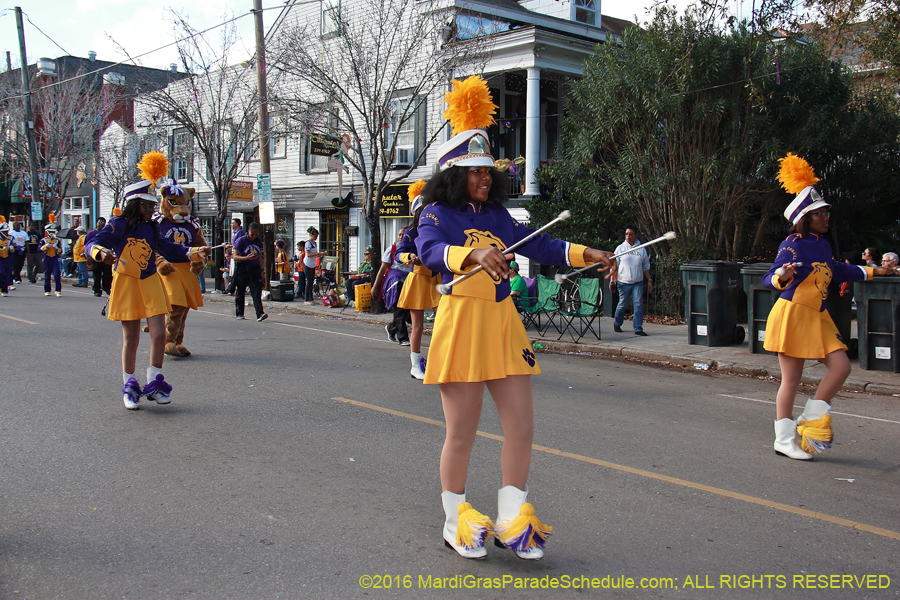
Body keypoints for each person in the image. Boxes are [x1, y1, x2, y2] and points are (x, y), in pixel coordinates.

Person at [416, 75, 616, 561]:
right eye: (474, 172)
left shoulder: (499, 217)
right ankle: (456, 522)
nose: (485, 179)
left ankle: (511, 521)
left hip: (504, 325)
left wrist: (588, 253)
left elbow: (540, 245)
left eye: (488, 171)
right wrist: (472, 255)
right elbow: (429, 251)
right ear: (453, 175)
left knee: (522, 426)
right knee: (462, 432)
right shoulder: (436, 213)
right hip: (462, 325)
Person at [763, 153, 893, 460]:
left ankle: (810, 419)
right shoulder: (792, 244)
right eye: (820, 213)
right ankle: (784, 440)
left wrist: (875, 271)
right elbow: (770, 278)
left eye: (826, 212)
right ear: (805, 216)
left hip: (818, 316)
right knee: (791, 380)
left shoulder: (822, 244)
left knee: (842, 367)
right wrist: (783, 275)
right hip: (793, 313)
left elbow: (836, 269)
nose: (826, 217)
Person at [86, 156, 210, 410]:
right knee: (131, 338)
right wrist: (99, 252)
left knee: (159, 334)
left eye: (154, 205)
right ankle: (130, 388)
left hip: (151, 281)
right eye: (148, 205)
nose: (153, 209)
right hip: (127, 283)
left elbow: (168, 248)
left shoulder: (152, 228)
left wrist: (193, 251)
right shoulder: (118, 225)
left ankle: (154, 384)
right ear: (135, 204)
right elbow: (93, 243)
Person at [397, 180, 442, 379]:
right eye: (425, 211)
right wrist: (409, 256)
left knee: (444, 323)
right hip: (418, 279)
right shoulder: (410, 233)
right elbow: (399, 254)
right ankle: (415, 366)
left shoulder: (439, 230)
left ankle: (439, 360)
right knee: (418, 326)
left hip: (438, 279)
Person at [611, 224, 652, 336]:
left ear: (635, 235)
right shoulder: (620, 248)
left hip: (637, 282)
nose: (628, 236)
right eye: (626, 234)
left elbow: (646, 267)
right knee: (622, 304)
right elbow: (614, 265)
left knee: (638, 304)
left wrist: (649, 280)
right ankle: (617, 323)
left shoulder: (641, 249)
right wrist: (612, 280)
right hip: (623, 282)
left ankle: (638, 328)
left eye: (631, 234)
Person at [372, 228, 412, 345]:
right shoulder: (392, 249)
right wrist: (375, 286)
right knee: (399, 308)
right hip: (395, 282)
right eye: (399, 235)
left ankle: (391, 328)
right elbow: (382, 268)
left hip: (409, 281)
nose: (401, 237)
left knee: (406, 310)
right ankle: (403, 338)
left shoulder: (413, 250)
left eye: (403, 235)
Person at [232, 222, 267, 321]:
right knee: (241, 290)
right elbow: (235, 256)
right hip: (243, 267)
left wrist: (262, 269)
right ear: (248, 231)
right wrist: (246, 258)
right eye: (252, 234)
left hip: (254, 268)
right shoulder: (241, 240)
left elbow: (259, 257)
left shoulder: (258, 241)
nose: (254, 236)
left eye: (256, 234)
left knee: (256, 291)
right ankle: (240, 313)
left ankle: (260, 313)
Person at [85, 217, 112, 296]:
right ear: (96, 223)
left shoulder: (107, 233)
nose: (101, 224)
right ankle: (97, 290)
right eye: (99, 222)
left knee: (107, 274)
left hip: (106, 256)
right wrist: (87, 257)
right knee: (97, 275)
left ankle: (106, 287)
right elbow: (86, 245)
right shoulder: (91, 234)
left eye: (103, 223)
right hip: (95, 257)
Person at [302, 227, 325, 304]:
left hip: (312, 264)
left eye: (317, 236)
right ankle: (306, 299)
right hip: (307, 263)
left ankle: (311, 298)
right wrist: (319, 254)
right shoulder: (308, 243)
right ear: (311, 235)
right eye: (315, 236)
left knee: (312, 281)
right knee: (309, 281)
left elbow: (315, 253)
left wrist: (321, 254)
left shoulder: (314, 243)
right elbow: (308, 255)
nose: (316, 238)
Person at [40, 217, 63, 297]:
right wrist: (46, 246)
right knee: (47, 275)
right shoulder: (44, 240)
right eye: (50, 232)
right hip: (47, 258)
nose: (52, 233)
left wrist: (56, 248)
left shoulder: (57, 241)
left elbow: (60, 251)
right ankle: (47, 290)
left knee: (57, 274)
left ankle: (58, 290)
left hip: (54, 258)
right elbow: (39, 249)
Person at [0, 217, 13, 296]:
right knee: (1, 273)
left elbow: (15, 248)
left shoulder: (10, 239)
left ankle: (4, 290)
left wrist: (13, 248)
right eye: (4, 231)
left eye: (7, 231)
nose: (6, 232)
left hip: (7, 258)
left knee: (6, 273)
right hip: (0, 258)